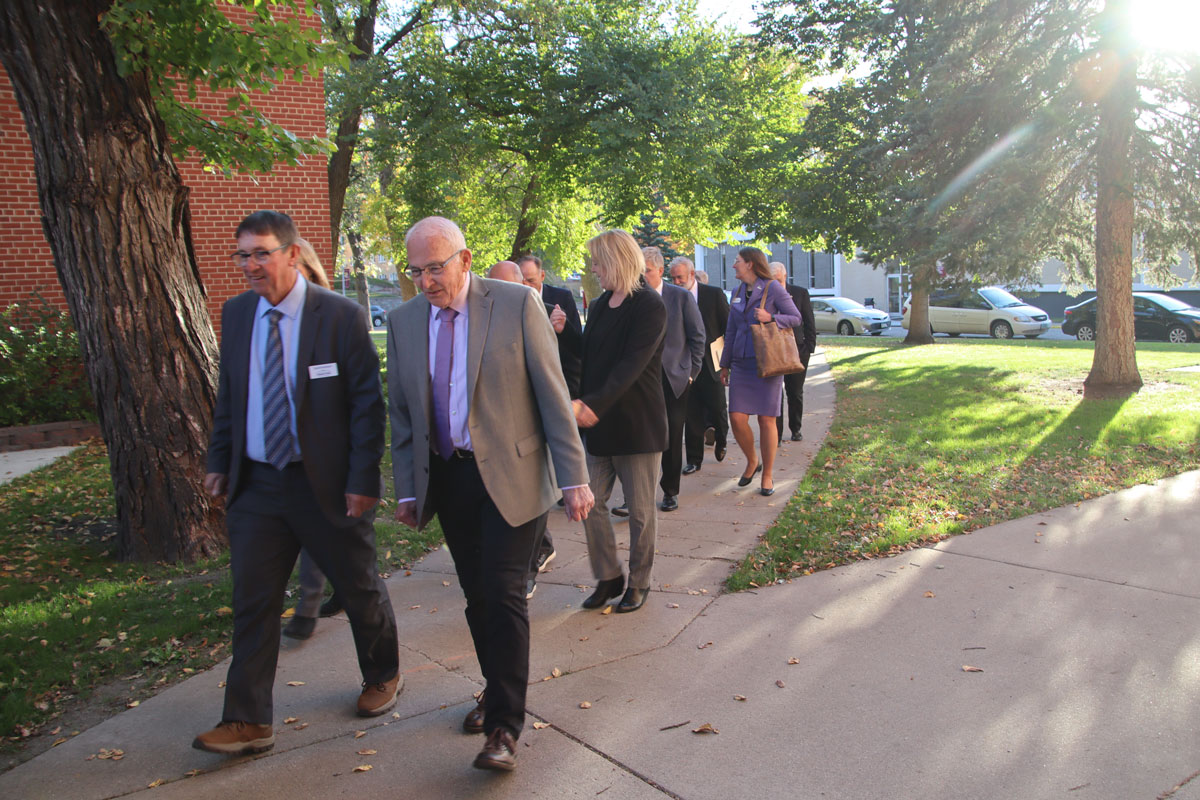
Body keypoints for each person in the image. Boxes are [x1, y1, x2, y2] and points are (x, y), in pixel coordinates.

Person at [389, 217, 593, 772]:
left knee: (503, 592)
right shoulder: (403, 321)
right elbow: (403, 415)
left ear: (465, 259)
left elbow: (554, 394)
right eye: (416, 271)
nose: (426, 280)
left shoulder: (514, 304)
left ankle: (505, 727)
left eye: (436, 267)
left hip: (516, 473)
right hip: (449, 477)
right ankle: (493, 689)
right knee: (478, 597)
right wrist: (407, 488)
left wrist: (575, 477)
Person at [197, 211, 400, 756]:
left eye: (261, 253)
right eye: (242, 255)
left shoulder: (338, 316)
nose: (250, 266)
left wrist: (363, 479)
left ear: (291, 253)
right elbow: (230, 398)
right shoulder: (238, 314)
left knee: (358, 586)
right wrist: (219, 459)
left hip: (327, 485)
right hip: (258, 485)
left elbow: (365, 405)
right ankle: (247, 720)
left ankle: (383, 672)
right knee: (253, 601)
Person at [575, 230, 667, 614]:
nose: (594, 270)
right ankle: (608, 576)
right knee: (589, 505)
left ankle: (639, 581)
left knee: (641, 513)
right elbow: (587, 358)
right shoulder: (597, 306)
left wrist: (592, 405)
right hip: (598, 426)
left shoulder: (648, 306)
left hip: (636, 426)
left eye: (598, 262)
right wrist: (562, 334)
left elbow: (630, 367)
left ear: (616, 261)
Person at [487, 259, 582, 597]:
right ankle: (541, 545)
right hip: (501, 422)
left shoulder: (543, 307)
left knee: (536, 487)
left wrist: (575, 479)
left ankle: (526, 569)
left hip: (541, 412)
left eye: (518, 283)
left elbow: (565, 360)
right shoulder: (483, 316)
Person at [283, 239, 343, 639]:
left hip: (330, 451)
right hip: (284, 450)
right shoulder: (266, 320)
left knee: (327, 531)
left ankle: (309, 606)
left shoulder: (335, 318)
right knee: (317, 531)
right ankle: (336, 591)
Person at [719, 247, 802, 497]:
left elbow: (795, 318)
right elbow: (731, 331)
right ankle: (752, 460)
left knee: (767, 420)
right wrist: (725, 363)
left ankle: (767, 475)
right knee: (736, 417)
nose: (734, 265)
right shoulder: (735, 292)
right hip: (742, 364)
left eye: (737, 261)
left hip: (767, 362)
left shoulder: (773, 288)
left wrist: (771, 317)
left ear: (751, 264)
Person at [639, 246, 703, 513]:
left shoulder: (680, 298)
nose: (642, 276)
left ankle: (670, 490)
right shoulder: (634, 298)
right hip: (640, 379)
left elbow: (698, 336)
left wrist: (691, 373)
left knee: (672, 435)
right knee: (641, 437)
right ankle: (637, 493)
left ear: (660, 271)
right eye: (638, 271)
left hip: (674, 378)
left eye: (647, 271)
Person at [670, 255, 731, 475]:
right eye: (673, 278)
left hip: (711, 361)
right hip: (684, 364)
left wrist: (727, 361)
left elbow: (727, 327)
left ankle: (722, 439)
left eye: (680, 277)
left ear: (692, 275)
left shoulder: (713, 294)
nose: (676, 282)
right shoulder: (672, 297)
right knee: (691, 413)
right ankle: (694, 459)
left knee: (717, 407)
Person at [770, 262, 817, 444]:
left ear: (785, 276)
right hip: (774, 350)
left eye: (778, 280)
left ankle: (796, 429)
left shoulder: (799, 293)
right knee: (775, 393)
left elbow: (808, 321)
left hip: (797, 350)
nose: (775, 283)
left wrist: (808, 347)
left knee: (795, 392)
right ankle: (777, 434)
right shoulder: (766, 295)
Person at [518, 254, 582, 335]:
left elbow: (577, 337)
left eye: (531, 281)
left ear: (542, 276)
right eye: (522, 281)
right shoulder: (513, 301)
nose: (526, 286)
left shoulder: (563, 297)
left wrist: (562, 329)